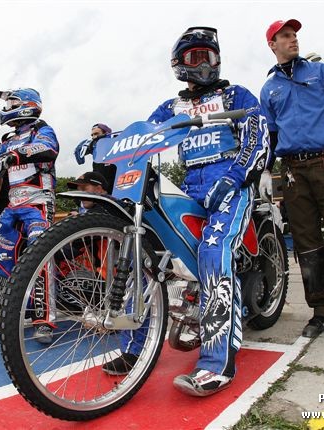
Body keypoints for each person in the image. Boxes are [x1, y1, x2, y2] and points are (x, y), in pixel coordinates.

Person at [102, 27, 270, 397]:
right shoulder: (170, 107)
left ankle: (217, 364)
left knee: (213, 251)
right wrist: (105, 138)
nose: (205, 63)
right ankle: (134, 348)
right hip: (190, 183)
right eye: (196, 56)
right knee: (147, 255)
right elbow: (142, 135)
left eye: (210, 56)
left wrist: (236, 176)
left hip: (230, 182)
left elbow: (259, 137)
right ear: (179, 63)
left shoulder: (235, 94)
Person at [259, 19, 324, 341]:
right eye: (286, 36)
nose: (293, 39)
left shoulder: (321, 72)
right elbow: (272, 135)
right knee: (306, 244)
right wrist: (266, 170)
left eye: (295, 35)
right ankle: (322, 311)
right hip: (292, 171)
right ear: (272, 44)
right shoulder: (269, 89)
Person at [0, 88, 59, 343]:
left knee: (40, 252)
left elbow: (48, 148)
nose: (6, 109)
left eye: (11, 104)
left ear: (27, 104)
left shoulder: (42, 130)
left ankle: (44, 320)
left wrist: (12, 157)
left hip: (38, 202)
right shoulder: (9, 140)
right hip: (12, 204)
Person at [74, 123, 116, 193]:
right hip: (100, 191)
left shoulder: (117, 147)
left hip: (116, 190)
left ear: (106, 133)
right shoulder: (94, 151)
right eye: (92, 135)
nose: (93, 137)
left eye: (96, 134)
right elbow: (78, 154)